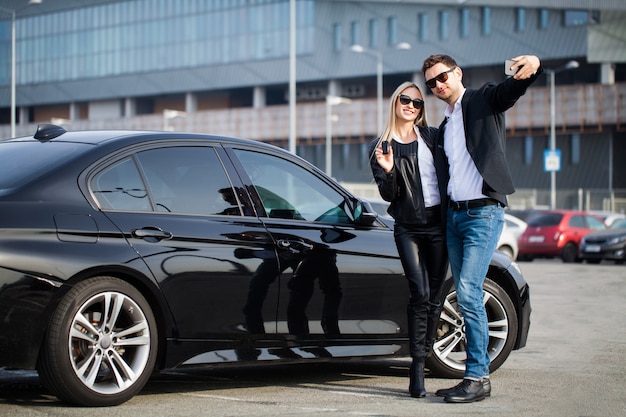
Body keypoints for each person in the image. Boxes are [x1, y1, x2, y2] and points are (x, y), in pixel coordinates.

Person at [421, 54, 542, 403]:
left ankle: (478, 377)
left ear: (457, 73)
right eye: (431, 82)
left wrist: (531, 67)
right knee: (462, 294)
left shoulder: (482, 100)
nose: (438, 85)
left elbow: (510, 90)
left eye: (442, 77)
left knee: (471, 293)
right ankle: (470, 375)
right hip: (455, 218)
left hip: (483, 214)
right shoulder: (445, 125)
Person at [369, 81, 449, 398]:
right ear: (395, 102)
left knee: (435, 297)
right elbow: (389, 195)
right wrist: (388, 171)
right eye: (406, 100)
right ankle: (416, 369)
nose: (412, 106)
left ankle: (425, 353)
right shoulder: (382, 145)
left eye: (417, 103)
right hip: (408, 227)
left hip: (439, 225)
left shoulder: (432, 137)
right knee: (419, 293)